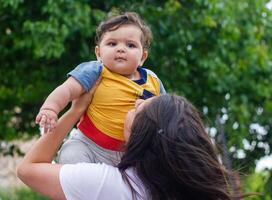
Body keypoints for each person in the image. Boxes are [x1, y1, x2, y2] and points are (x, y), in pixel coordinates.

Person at [17, 84, 241, 200]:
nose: (132, 105)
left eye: (137, 109)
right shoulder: (186, 190)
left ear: (140, 134)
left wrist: (76, 110)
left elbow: (28, 169)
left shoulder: (107, 184)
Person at [35, 12, 165, 165]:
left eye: (130, 45)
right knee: (71, 155)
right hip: (89, 145)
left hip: (133, 153)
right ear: (98, 53)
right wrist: (51, 108)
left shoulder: (153, 80)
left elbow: (165, 111)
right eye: (112, 44)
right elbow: (67, 89)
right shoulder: (95, 71)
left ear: (142, 57)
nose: (121, 49)